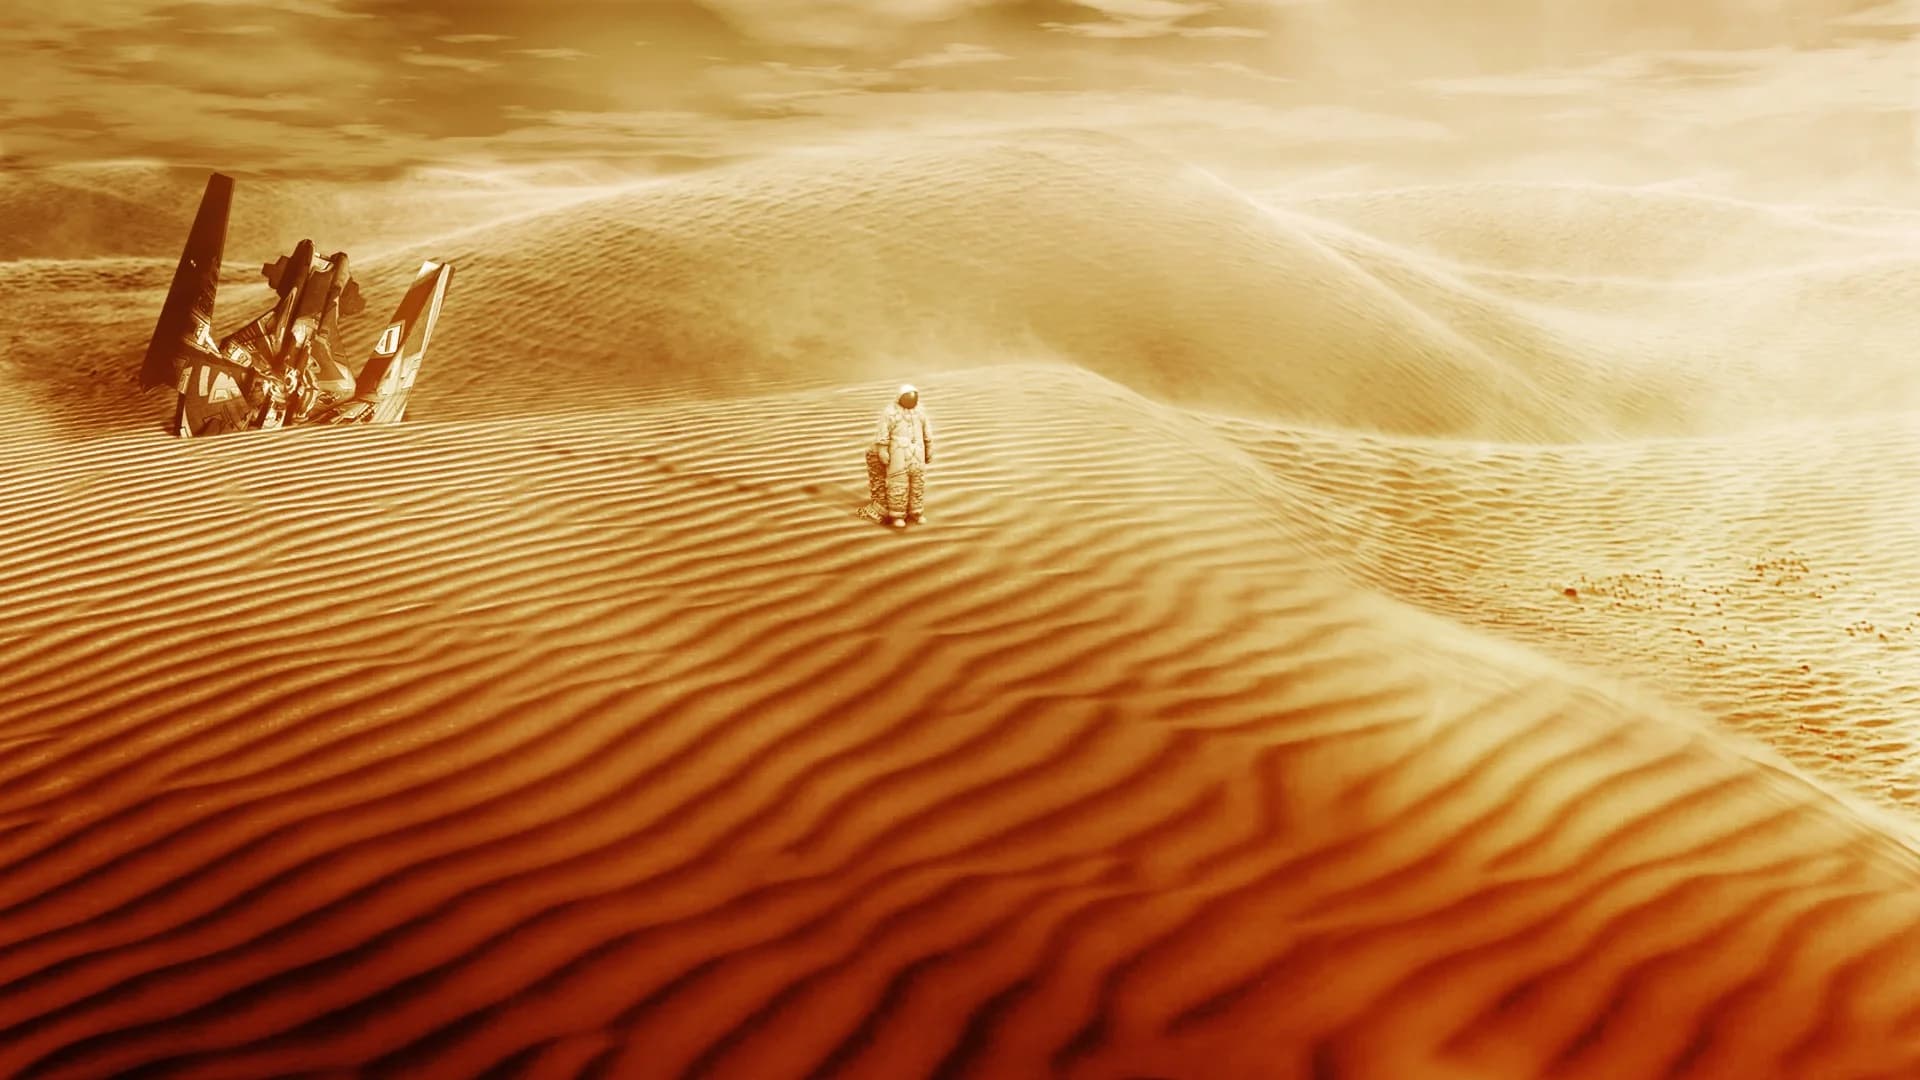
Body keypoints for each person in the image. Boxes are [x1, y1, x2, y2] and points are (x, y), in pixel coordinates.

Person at [872, 383, 933, 527]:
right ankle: (897, 515)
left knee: (918, 483)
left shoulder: (920, 412)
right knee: (898, 484)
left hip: (917, 453)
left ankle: (916, 512)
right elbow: (883, 432)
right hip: (898, 453)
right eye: (908, 397)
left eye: (914, 397)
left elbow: (927, 432)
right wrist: (882, 450)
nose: (911, 400)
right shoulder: (890, 412)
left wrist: (929, 448)